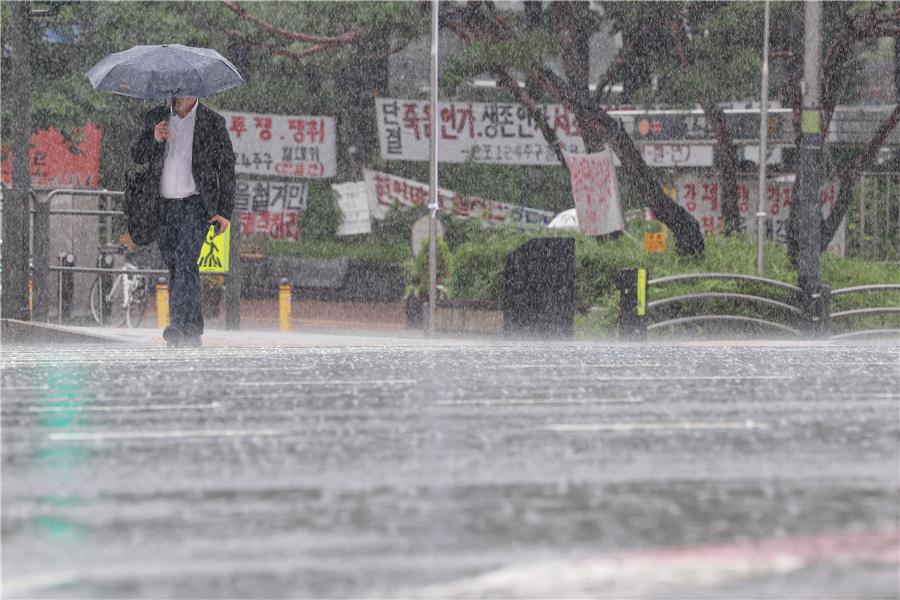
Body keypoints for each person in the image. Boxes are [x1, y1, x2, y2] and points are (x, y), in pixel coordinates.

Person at [131, 97, 235, 348]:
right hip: (162, 205)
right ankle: (193, 325)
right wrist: (153, 139)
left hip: (196, 204)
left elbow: (227, 167)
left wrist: (225, 211)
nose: (179, 94)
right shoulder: (156, 116)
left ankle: (177, 323)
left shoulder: (212, 122)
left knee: (187, 260)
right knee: (177, 267)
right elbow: (136, 155)